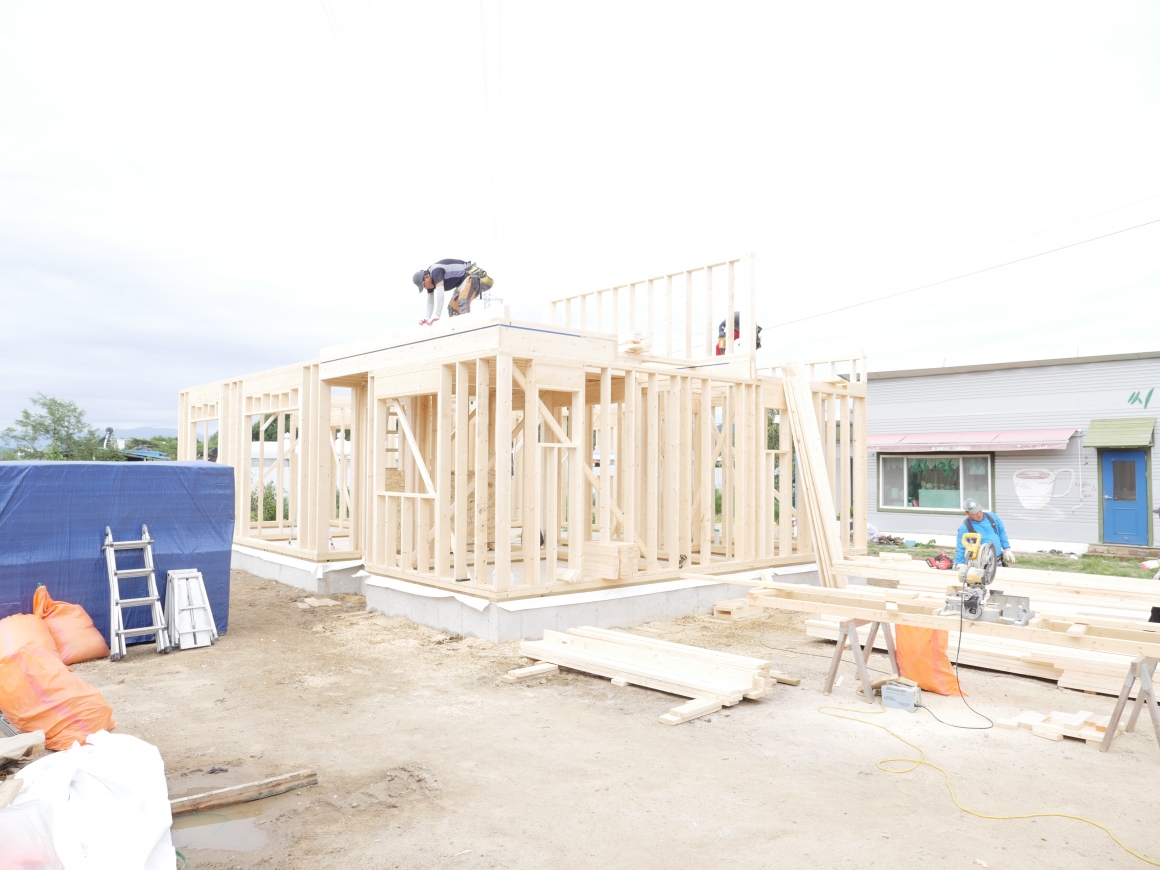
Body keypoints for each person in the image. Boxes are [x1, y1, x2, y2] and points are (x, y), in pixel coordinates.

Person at [412, 259, 493, 325]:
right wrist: (427, 318)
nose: (425, 288)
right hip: (462, 283)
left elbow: (440, 294)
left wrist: (437, 315)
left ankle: (467, 328)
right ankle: (457, 332)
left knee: (463, 300)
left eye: (424, 285)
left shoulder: (436, 271)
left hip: (473, 276)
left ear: (426, 277)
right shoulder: (430, 281)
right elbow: (430, 301)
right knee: (453, 308)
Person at [954, 498, 1016, 566]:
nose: (979, 514)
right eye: (975, 513)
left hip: (998, 561)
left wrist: (1007, 549)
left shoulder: (992, 517)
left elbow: (1001, 532)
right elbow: (961, 548)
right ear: (967, 513)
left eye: (979, 511)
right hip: (981, 565)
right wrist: (960, 564)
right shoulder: (965, 528)